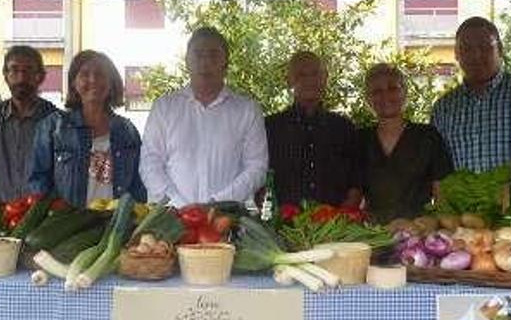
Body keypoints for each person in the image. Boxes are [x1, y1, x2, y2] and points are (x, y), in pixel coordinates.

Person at [140, 27, 268, 206]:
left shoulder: (247, 110)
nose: (206, 62)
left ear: (226, 62)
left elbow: (257, 167)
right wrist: (178, 204)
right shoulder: (164, 108)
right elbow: (149, 162)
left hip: (228, 219)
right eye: (198, 54)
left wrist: (218, 203)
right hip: (170, 219)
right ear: (187, 62)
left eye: (214, 54)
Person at [29, 50, 146, 206]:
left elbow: (137, 187)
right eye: (84, 74)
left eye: (100, 74)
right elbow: (39, 181)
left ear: (111, 83)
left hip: (114, 224)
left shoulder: (127, 131)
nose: (93, 80)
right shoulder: (52, 127)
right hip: (70, 225)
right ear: (74, 82)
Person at [431, 17, 511, 172]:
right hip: (462, 197)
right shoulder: (443, 109)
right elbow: (440, 170)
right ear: (456, 54)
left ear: (501, 50)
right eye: (467, 49)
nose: (476, 56)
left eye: (485, 47)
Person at [357, 63, 453, 223]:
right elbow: (355, 195)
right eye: (377, 91)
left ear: (405, 92)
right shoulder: (360, 140)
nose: (385, 96)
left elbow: (442, 196)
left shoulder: (428, 136)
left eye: (392, 88)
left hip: (419, 235)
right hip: (374, 235)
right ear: (368, 99)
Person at [265, 51, 360, 207]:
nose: (309, 80)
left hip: (335, 225)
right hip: (282, 227)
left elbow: (356, 183)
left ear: (325, 78)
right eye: (301, 74)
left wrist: (341, 221)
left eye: (315, 73)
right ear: (288, 81)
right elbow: (259, 183)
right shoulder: (270, 128)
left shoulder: (344, 128)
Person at [0, 46, 56, 201]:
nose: (21, 78)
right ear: (5, 75)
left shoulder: (56, 121)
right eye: (14, 70)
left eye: (28, 70)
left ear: (40, 76)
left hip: (42, 215)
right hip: (0, 213)